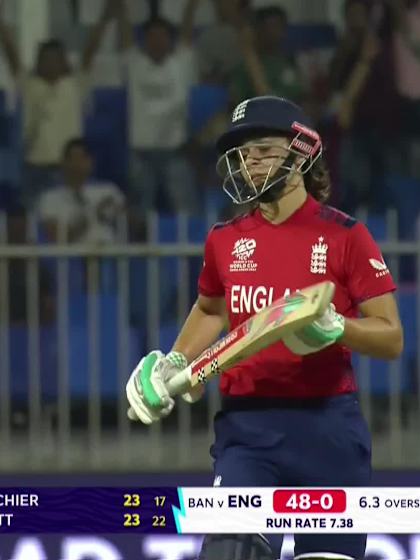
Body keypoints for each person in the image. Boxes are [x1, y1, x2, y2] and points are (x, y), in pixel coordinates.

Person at [126, 96, 403, 560]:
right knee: (228, 555)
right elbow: (212, 309)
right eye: (243, 152)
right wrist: (176, 361)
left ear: (301, 153)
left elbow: (390, 336)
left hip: (328, 428)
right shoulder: (225, 239)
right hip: (247, 430)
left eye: (263, 149)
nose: (250, 161)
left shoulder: (345, 235)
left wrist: (337, 327)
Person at [0, 0, 118, 208]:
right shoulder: (29, 85)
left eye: (56, 59)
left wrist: (104, 19)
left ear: (64, 62)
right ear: (38, 62)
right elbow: (11, 53)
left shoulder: (75, 85)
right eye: (45, 59)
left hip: (69, 171)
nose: (51, 63)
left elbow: (90, 50)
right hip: (35, 168)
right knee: (34, 221)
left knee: (67, 224)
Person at [37, 138, 125, 244]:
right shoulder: (50, 198)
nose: (77, 164)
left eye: (83, 158)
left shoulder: (108, 190)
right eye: (73, 159)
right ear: (64, 162)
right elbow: (58, 237)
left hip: (108, 255)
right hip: (71, 257)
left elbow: (126, 223)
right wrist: (94, 213)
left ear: (91, 162)